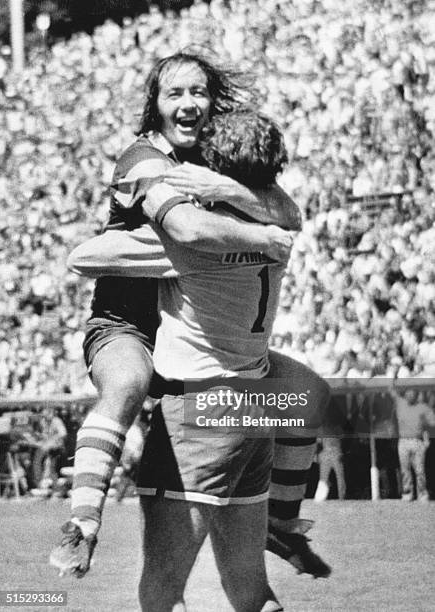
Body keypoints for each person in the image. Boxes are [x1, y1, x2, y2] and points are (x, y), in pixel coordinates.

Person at [50, 52, 330, 582]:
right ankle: (82, 524)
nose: (188, 104)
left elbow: (289, 211)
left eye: (197, 92)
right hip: (128, 322)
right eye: (174, 93)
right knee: (128, 384)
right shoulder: (142, 160)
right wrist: (263, 237)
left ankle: (282, 524)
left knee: (308, 394)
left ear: (211, 99)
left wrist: (230, 192)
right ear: (154, 105)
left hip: (193, 323)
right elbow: (188, 231)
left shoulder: (212, 158)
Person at [70, 107, 297, 611]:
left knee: (161, 590)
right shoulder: (280, 237)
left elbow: (83, 257)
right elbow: (284, 213)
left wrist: (158, 209)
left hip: (197, 415)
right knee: (251, 590)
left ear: (212, 169)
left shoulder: (188, 243)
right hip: (254, 412)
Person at [392, 386, 435, 501]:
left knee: (420, 470)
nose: (410, 395)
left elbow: (432, 422)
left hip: (417, 441)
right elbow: (391, 389)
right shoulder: (400, 403)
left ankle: (422, 494)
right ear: (405, 394)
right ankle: (407, 494)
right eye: (408, 392)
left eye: (413, 393)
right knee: (405, 470)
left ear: (416, 394)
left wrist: (426, 437)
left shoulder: (422, 407)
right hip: (403, 441)